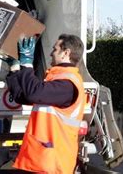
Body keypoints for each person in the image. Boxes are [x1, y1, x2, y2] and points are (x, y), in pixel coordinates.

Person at [6, 33, 86, 174]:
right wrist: (14, 71)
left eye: (55, 49)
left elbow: (34, 93)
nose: (50, 53)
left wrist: (27, 63)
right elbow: (23, 96)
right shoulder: (58, 81)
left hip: (53, 162)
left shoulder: (68, 84)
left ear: (66, 53)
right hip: (43, 159)